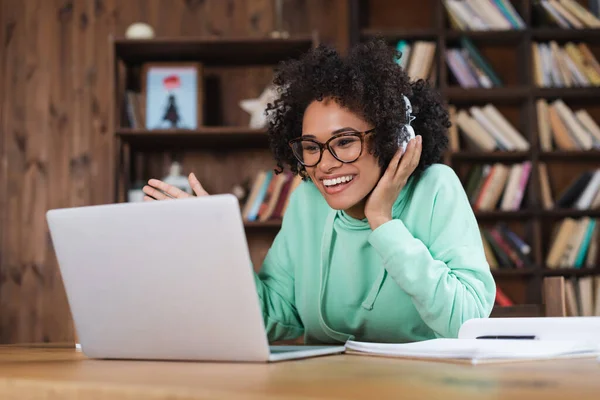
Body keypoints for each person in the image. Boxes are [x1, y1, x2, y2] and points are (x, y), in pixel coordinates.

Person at [142, 39, 496, 344]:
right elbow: (275, 316)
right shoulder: (307, 201)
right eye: (311, 147)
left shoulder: (435, 188)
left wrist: (382, 221)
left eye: (344, 141)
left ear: (394, 139)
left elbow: (466, 322)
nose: (324, 164)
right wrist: (216, 246)